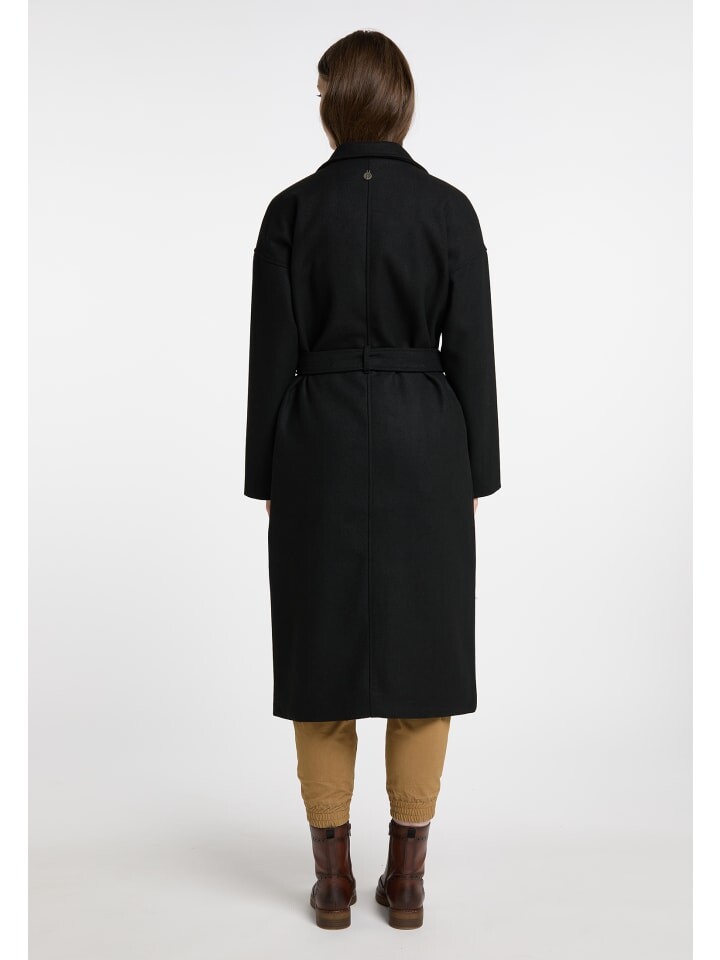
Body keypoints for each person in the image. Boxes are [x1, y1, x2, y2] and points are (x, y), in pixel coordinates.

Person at [244, 29, 501, 930]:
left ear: (334, 103)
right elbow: (473, 355)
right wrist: (476, 474)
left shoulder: (289, 212)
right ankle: (409, 880)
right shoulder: (449, 210)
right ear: (401, 103)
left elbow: (270, 357)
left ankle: (331, 884)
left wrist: (266, 474)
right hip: (427, 444)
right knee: (426, 662)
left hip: (314, 440)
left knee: (318, 659)